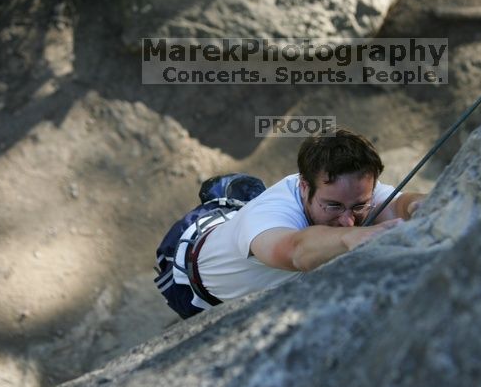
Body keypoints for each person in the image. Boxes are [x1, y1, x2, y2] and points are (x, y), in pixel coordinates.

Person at [166, 127, 425, 318]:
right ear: (303, 186)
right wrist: (351, 238)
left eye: (358, 207)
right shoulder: (267, 218)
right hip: (193, 287)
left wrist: (419, 205)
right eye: (333, 206)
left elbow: (397, 206)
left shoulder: (349, 188)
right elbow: (296, 250)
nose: (348, 221)